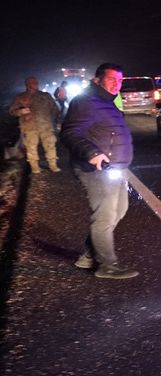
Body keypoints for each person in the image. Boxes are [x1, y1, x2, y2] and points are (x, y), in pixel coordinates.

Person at [61, 63, 138, 280]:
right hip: (95, 168)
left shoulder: (107, 101)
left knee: (119, 211)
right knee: (105, 217)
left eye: (120, 80)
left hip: (116, 168)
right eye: (112, 79)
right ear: (97, 80)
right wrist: (91, 153)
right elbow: (69, 132)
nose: (117, 84)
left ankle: (87, 256)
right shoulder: (86, 101)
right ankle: (107, 266)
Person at [9, 76, 61, 173]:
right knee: (31, 147)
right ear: (27, 84)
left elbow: (55, 109)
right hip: (29, 126)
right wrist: (20, 111)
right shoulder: (20, 97)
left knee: (50, 145)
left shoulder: (45, 96)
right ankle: (35, 167)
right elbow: (12, 111)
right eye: (32, 83)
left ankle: (53, 165)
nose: (34, 84)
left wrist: (56, 122)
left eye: (35, 82)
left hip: (46, 126)